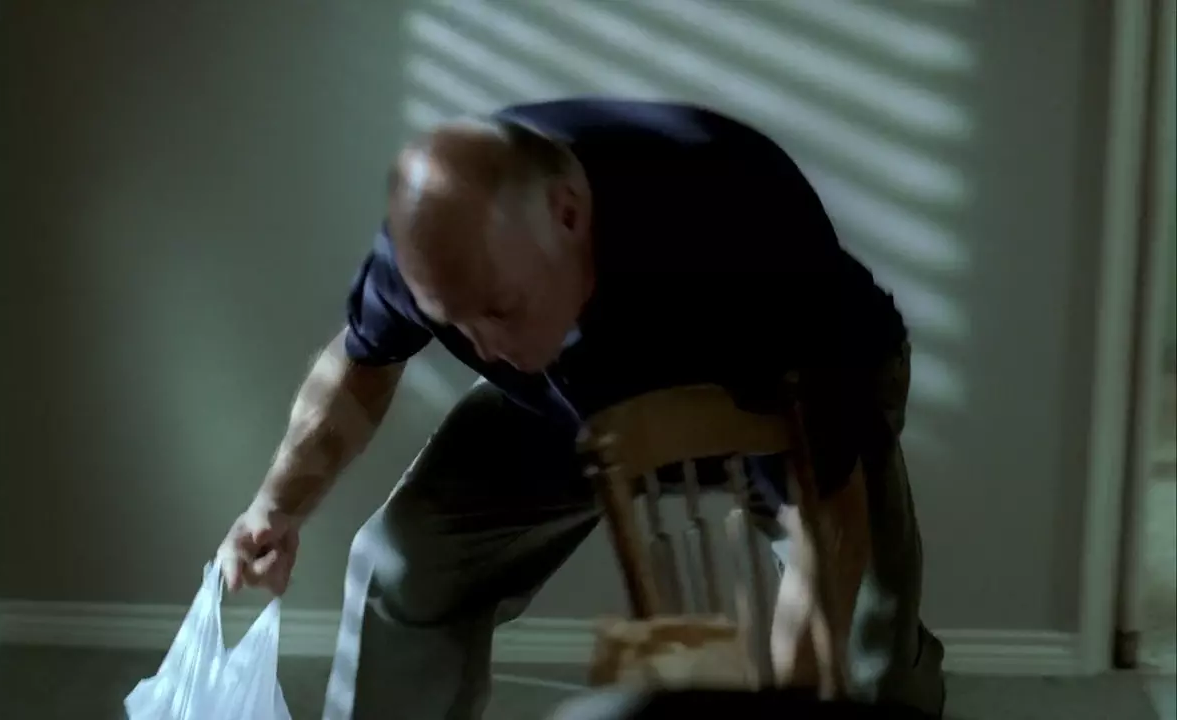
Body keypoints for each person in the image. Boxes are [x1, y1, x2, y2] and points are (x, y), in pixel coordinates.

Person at [215, 99, 946, 719]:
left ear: (567, 214)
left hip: (774, 392)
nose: (483, 347)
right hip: (569, 404)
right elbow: (362, 362)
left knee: (867, 654)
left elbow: (829, 512)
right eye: (455, 324)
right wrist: (277, 506)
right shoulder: (442, 252)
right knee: (402, 561)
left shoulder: (735, 222)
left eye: (500, 309)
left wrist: (789, 696)